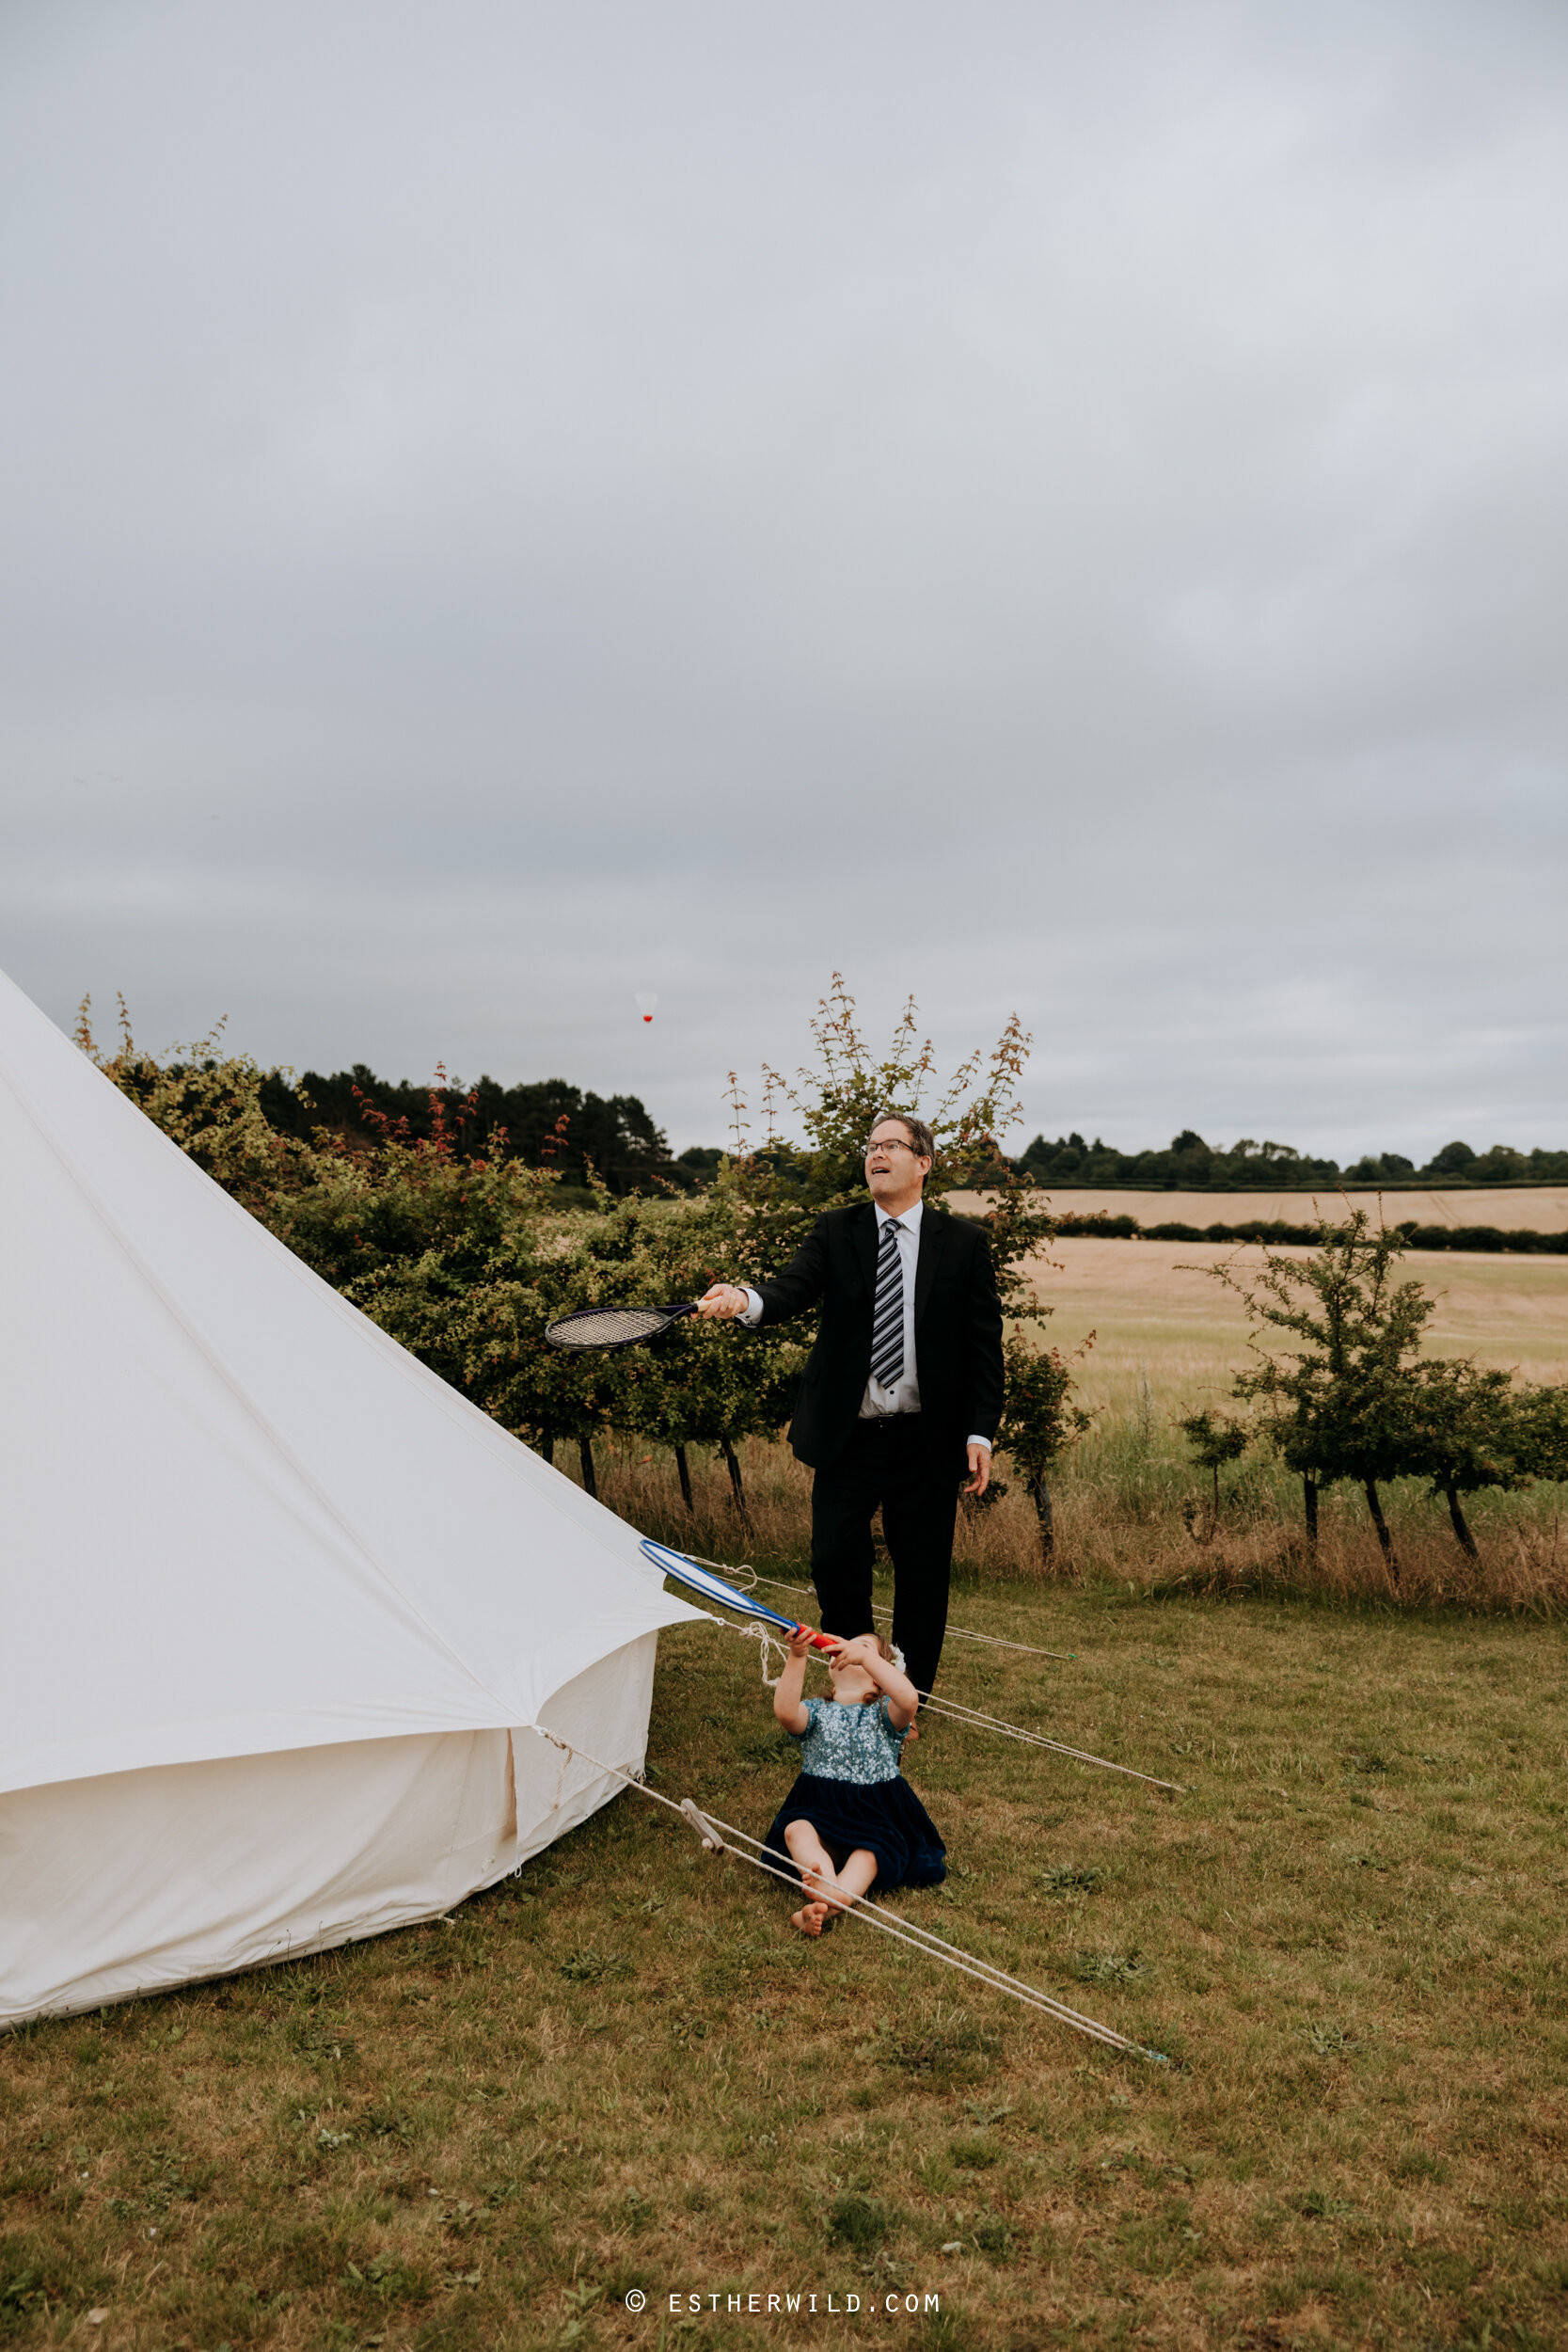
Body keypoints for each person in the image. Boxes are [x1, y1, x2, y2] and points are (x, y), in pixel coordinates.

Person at [697, 1113, 1005, 1707]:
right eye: (870, 1147)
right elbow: (792, 1288)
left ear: (924, 1163)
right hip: (849, 1435)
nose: (877, 1155)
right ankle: (856, 1680)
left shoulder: (963, 1244)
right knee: (833, 1560)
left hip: (927, 1438)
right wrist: (744, 1299)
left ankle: (906, 1700)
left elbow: (982, 1349)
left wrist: (981, 1432)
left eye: (892, 1145)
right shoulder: (836, 1231)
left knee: (922, 1576)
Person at [766, 1625, 945, 1936]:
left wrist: (865, 1658)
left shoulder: (884, 1713)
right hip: (820, 1810)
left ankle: (832, 1899)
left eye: (863, 1647)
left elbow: (908, 1699)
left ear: (880, 1675)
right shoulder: (816, 1711)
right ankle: (824, 1882)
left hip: (873, 1817)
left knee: (870, 1855)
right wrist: (797, 1655)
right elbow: (785, 1713)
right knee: (796, 1829)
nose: (849, 1649)